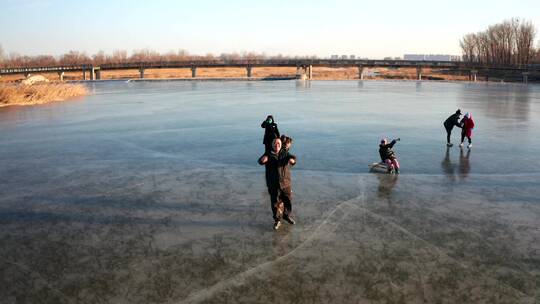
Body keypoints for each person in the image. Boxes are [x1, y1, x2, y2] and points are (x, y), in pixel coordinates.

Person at [258, 138, 297, 230]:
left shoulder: (285, 153)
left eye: (278, 143)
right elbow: (260, 161)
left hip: (285, 183)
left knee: (288, 200)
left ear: (281, 144)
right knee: (275, 203)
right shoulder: (268, 154)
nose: (277, 145)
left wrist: (293, 161)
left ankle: (286, 216)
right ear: (272, 145)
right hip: (273, 184)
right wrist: (262, 160)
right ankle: (277, 220)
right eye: (275, 143)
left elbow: (293, 158)